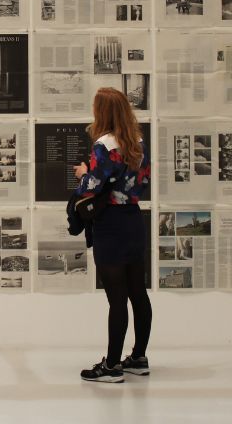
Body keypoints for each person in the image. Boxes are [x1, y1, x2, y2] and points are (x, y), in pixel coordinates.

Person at [73, 87, 151, 383]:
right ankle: (139, 357)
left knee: (116, 298)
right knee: (138, 293)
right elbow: (141, 182)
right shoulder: (138, 143)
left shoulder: (104, 145)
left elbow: (91, 186)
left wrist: (83, 173)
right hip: (133, 219)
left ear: (102, 112)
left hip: (111, 223)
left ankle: (112, 366)